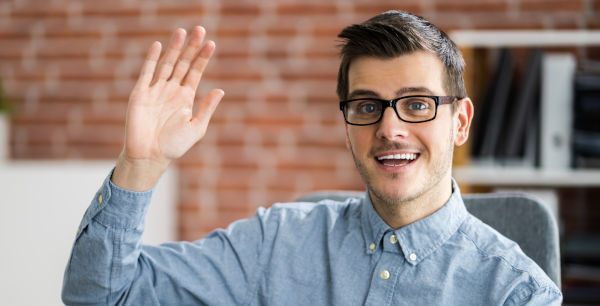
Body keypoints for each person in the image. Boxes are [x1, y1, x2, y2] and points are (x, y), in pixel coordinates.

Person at [61, 10, 562, 305]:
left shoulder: (516, 292)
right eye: (367, 106)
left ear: (460, 122)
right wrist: (140, 166)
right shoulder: (276, 241)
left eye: (416, 105)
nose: (390, 129)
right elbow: (103, 295)